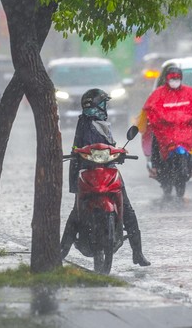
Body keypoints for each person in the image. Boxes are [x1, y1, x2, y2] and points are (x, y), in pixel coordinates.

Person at [60, 88, 151, 267]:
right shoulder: (84, 124)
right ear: (97, 105)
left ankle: (137, 252)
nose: (105, 107)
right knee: (76, 214)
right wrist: (76, 156)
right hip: (87, 171)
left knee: (127, 210)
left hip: (108, 168)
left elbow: (110, 146)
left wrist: (119, 153)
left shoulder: (103, 123)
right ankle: (61, 251)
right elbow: (76, 147)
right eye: (103, 104)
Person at [141, 66, 192, 179]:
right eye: (172, 78)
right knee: (156, 140)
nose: (174, 81)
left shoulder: (190, 93)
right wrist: (161, 119)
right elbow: (151, 108)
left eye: (177, 78)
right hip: (165, 129)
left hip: (183, 129)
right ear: (167, 79)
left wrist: (191, 119)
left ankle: (191, 167)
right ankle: (155, 167)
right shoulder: (158, 93)